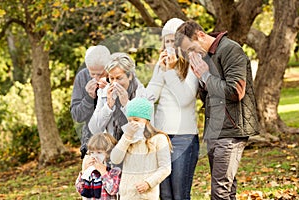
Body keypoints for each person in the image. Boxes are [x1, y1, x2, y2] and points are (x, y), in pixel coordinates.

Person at [175, 20, 260, 200]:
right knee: (227, 189)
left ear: (200, 35)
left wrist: (205, 76)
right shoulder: (206, 56)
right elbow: (210, 96)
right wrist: (201, 81)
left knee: (220, 190)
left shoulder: (230, 49)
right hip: (215, 129)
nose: (192, 54)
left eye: (191, 48)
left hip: (232, 128)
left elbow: (235, 91)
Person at [146, 18, 199, 200]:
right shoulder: (162, 67)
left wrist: (171, 71)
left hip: (184, 137)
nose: (170, 45)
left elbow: (185, 98)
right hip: (161, 137)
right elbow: (150, 97)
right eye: (167, 41)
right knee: (165, 195)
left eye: (173, 40)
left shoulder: (193, 65)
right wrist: (161, 72)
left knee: (179, 195)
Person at [110, 97, 172, 200]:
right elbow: (115, 159)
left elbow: (165, 168)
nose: (132, 123)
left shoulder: (159, 139)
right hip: (126, 196)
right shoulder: (127, 138)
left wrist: (148, 183)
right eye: (129, 120)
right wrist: (127, 137)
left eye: (136, 120)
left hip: (146, 196)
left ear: (147, 120)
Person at [88, 52, 154, 141]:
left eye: (119, 78)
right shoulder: (104, 92)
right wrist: (108, 106)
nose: (115, 83)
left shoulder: (145, 95)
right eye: (112, 78)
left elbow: (146, 132)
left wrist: (127, 105)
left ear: (130, 76)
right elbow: (94, 130)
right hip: (112, 150)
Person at [70, 45, 111, 159]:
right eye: (93, 74)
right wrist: (89, 98)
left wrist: (110, 92)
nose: (97, 78)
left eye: (101, 74)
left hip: (117, 141)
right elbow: (77, 116)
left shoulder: (118, 75)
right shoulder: (82, 77)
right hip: (92, 144)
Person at [75, 133, 121, 200]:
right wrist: (84, 171)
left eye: (99, 152)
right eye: (92, 152)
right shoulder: (91, 171)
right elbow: (80, 189)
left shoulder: (114, 171)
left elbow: (113, 190)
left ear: (109, 153)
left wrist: (103, 172)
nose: (95, 156)